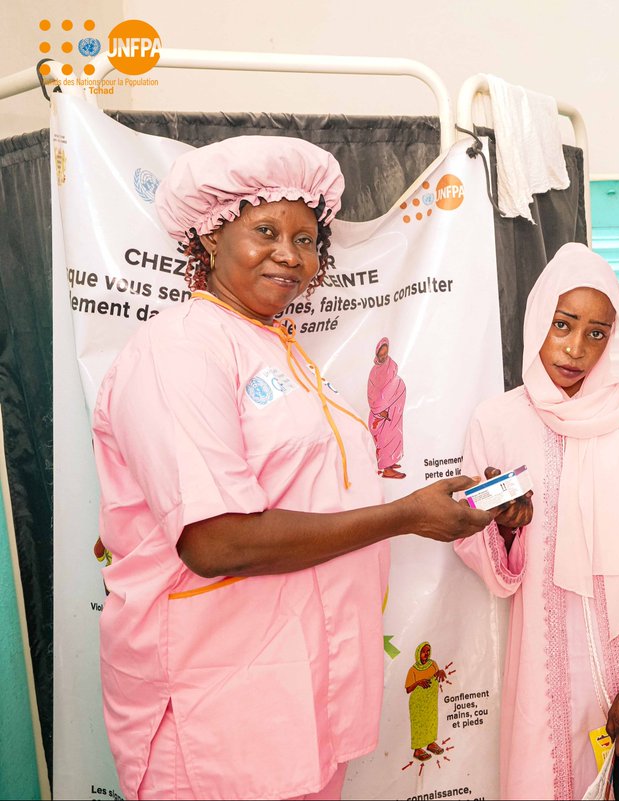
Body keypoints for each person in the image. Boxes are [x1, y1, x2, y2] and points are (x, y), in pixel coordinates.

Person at [91, 135, 496, 800]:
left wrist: (423, 504)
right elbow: (215, 539)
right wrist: (405, 515)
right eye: (266, 230)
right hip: (216, 702)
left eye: (307, 239)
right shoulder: (179, 350)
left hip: (291, 691)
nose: (291, 254)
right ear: (209, 236)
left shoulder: (280, 351)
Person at [454, 244, 619, 800]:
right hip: (545, 663)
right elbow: (481, 554)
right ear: (539, 321)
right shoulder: (497, 421)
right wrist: (506, 528)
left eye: (597, 333)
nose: (575, 349)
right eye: (562, 325)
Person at [368, 335, 407, 478]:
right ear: (377, 353)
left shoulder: (391, 365)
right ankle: (387, 469)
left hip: (393, 412)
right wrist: (380, 411)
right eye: (381, 354)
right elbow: (372, 395)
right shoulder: (374, 372)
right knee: (384, 440)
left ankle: (390, 462)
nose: (383, 357)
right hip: (380, 414)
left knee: (394, 436)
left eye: (385, 354)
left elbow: (392, 388)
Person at [405, 642, 447, 761]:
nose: (426, 654)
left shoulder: (433, 664)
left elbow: (436, 675)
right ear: (418, 653)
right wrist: (419, 682)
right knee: (419, 724)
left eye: (428, 651)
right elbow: (408, 689)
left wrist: (440, 672)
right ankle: (418, 749)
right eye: (424, 652)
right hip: (418, 703)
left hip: (431, 701)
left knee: (431, 721)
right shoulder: (413, 670)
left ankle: (430, 743)